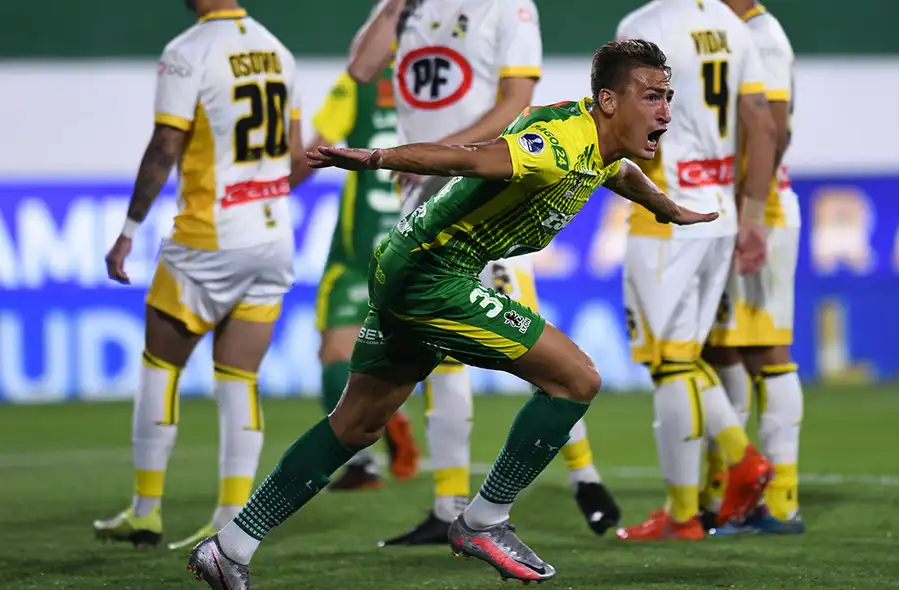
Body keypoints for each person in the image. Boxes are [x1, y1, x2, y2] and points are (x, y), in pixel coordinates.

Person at [187, 39, 718, 588]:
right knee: (577, 379)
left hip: (409, 263)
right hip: (433, 274)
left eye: (667, 97)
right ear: (608, 101)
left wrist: (667, 208)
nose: (664, 111)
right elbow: (470, 158)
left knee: (355, 424)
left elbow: (619, 173)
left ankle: (229, 548)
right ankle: (484, 521)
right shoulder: (557, 146)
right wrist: (378, 158)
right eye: (651, 97)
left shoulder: (596, 143)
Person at [347, 0, 619, 545]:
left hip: (485, 197)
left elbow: (516, 103)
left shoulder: (508, 8)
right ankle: (448, 504)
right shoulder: (405, 8)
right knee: (437, 349)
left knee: (532, 343)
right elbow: (360, 69)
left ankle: (585, 476)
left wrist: (443, 156)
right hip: (424, 193)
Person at [95, 0, 303, 550]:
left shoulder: (188, 51)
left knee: (160, 365)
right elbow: (299, 153)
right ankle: (232, 518)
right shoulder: (279, 50)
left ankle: (145, 512)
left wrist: (129, 229)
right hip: (273, 235)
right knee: (239, 378)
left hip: (209, 235)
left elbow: (167, 143)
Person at [613, 0, 779, 542]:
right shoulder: (733, 27)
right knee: (682, 358)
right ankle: (687, 510)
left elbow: (625, 121)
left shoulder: (644, 26)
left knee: (670, 363)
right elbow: (762, 124)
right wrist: (753, 217)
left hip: (666, 210)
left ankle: (731, 466)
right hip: (720, 213)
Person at [290, 65, 421, 491]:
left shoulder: (360, 81)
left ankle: (364, 459)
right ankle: (391, 419)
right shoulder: (442, 76)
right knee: (405, 354)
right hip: (417, 241)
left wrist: (269, 190)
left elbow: (315, 152)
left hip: (359, 250)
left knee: (335, 353)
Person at [703, 0, 804, 535]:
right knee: (721, 348)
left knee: (767, 351)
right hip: (732, 209)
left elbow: (774, 131)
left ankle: (782, 499)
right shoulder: (728, 32)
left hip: (760, 210)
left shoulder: (763, 37)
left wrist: (752, 213)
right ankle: (727, 491)